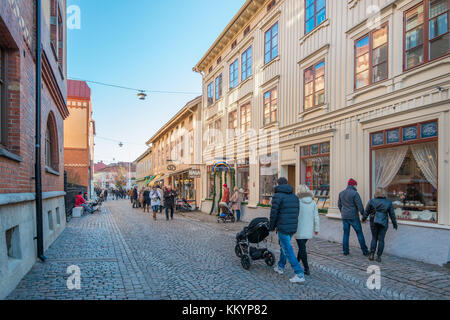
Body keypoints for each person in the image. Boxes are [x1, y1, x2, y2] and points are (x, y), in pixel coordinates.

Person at [269, 177, 306, 284]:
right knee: (284, 247)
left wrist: (271, 228)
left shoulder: (277, 196)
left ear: (278, 184)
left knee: (288, 250)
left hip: (283, 227)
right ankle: (280, 266)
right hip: (292, 227)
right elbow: (296, 212)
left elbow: (273, 214)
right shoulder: (294, 197)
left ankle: (299, 273)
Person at [362, 188, 398, 262]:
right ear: (384, 194)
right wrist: (395, 224)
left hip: (373, 222)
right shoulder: (388, 203)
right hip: (383, 222)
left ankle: (371, 254)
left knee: (374, 238)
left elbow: (366, 212)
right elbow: (392, 215)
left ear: (376, 193)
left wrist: (363, 219)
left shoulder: (372, 201)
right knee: (381, 239)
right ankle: (378, 256)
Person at [338, 179, 369, 257]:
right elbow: (360, 206)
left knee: (346, 234)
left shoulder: (341, 193)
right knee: (359, 233)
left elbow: (339, 205)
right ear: (353, 185)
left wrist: (343, 212)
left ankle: (345, 251)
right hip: (353, 216)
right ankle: (365, 251)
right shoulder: (355, 193)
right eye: (356, 185)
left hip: (345, 216)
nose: (356, 186)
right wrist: (363, 215)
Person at [295, 185, 320, 276]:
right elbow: (316, 217)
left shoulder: (297, 202)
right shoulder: (313, 202)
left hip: (299, 229)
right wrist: (316, 228)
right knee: (302, 247)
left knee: (302, 248)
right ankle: (296, 263)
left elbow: (294, 216)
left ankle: (306, 268)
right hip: (308, 229)